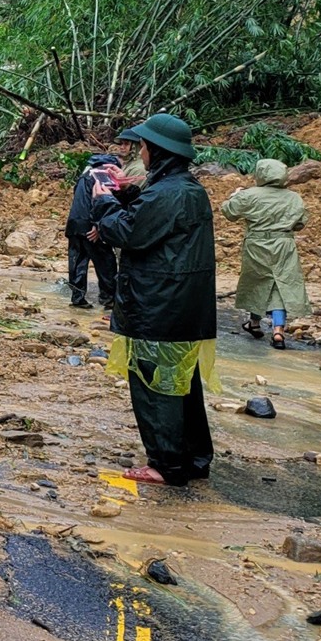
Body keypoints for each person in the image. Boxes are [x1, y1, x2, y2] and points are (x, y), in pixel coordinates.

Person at [88, 112, 217, 486]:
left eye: (143, 146)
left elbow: (127, 232)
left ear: (157, 152)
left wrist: (103, 200)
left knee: (153, 385)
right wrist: (128, 193)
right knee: (182, 385)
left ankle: (165, 464)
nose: (139, 152)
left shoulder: (167, 193)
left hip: (156, 306)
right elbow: (152, 220)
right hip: (182, 308)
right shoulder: (185, 189)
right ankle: (193, 458)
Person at [224, 159, 309, 350]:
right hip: (284, 245)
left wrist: (235, 196)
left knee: (258, 282)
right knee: (281, 284)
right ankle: (278, 330)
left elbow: (229, 213)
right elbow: (300, 223)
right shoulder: (294, 198)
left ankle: (254, 323)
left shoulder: (249, 195)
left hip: (257, 244)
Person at [65, 153, 121, 309]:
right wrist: (98, 226)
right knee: (106, 262)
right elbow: (100, 201)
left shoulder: (84, 176)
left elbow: (79, 200)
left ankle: (77, 298)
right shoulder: (102, 176)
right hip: (90, 226)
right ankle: (108, 298)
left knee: (77, 263)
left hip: (74, 225)